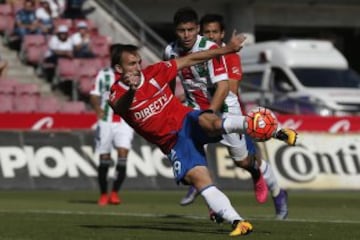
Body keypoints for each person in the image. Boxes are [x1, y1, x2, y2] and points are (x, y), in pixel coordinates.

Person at [107, 36, 297, 236]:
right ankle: (238, 222)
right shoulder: (116, 92)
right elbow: (120, 107)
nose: (137, 67)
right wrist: (132, 90)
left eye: (138, 62)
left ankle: (275, 131)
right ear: (119, 69)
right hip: (174, 143)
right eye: (131, 64)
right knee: (199, 180)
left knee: (209, 121)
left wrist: (228, 49)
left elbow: (192, 59)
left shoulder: (156, 72)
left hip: (187, 121)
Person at [163, 8, 289, 220]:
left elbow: (227, 88)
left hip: (225, 110)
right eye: (181, 30)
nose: (186, 35)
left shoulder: (216, 52)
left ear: (199, 30)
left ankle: (263, 179)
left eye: (190, 30)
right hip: (196, 110)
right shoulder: (170, 51)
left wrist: (211, 115)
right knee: (188, 155)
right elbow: (168, 79)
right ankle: (212, 202)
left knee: (243, 161)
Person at [90, 44, 134, 206]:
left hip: (124, 122)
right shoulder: (104, 74)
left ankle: (114, 192)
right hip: (106, 122)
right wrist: (97, 109)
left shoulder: (130, 75)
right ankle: (103, 194)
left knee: (123, 154)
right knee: (105, 158)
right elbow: (94, 95)